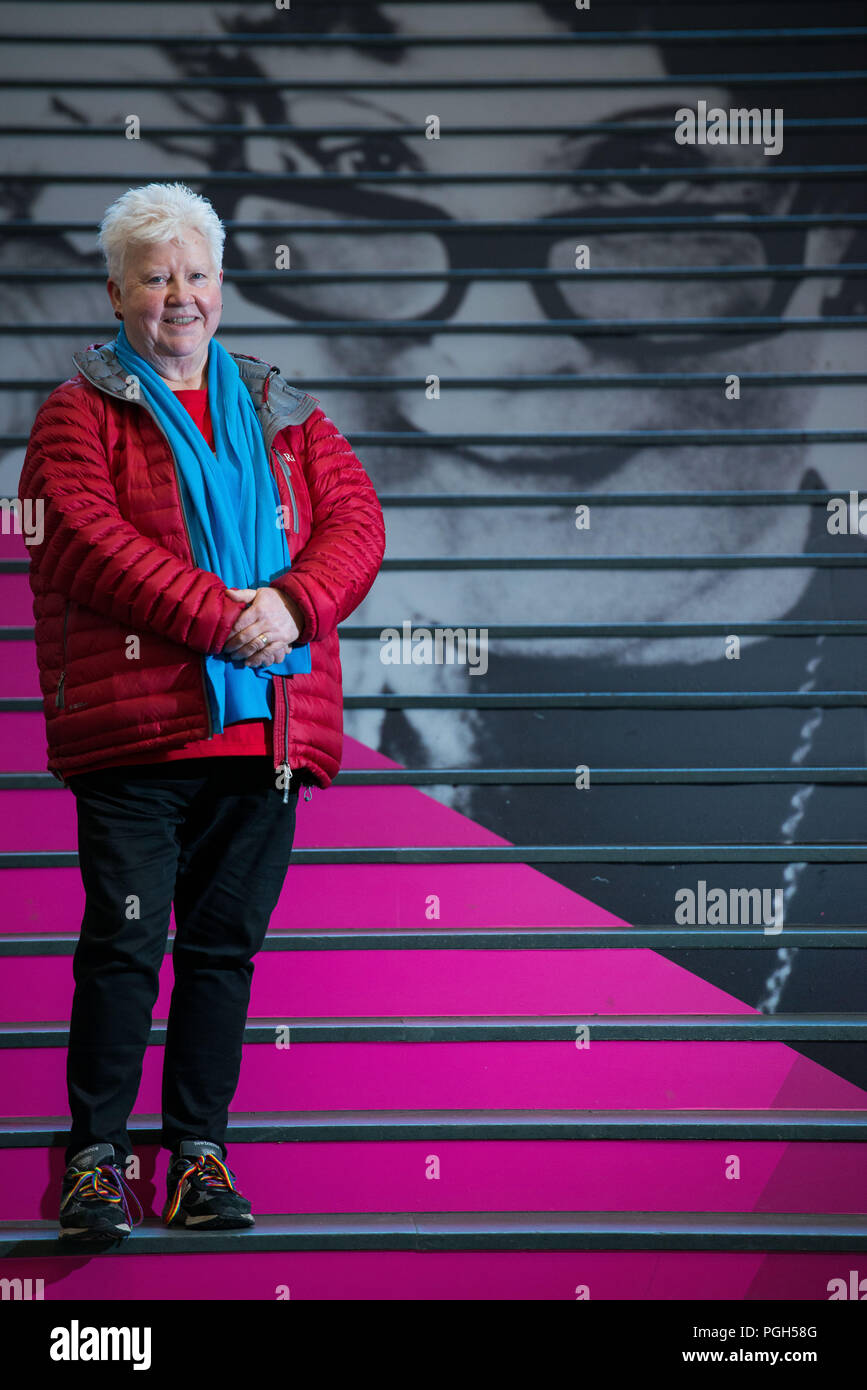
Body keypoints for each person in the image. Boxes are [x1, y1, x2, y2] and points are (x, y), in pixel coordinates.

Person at [18, 181, 386, 1243]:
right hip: (138, 738)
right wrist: (229, 619)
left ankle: (197, 1159)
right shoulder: (77, 410)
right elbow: (84, 539)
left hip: (262, 735)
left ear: (220, 285)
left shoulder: (281, 404)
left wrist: (294, 604)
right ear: (115, 291)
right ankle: (94, 1163)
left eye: (195, 274)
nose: (178, 295)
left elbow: (357, 523)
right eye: (154, 276)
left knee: (222, 956)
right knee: (124, 949)